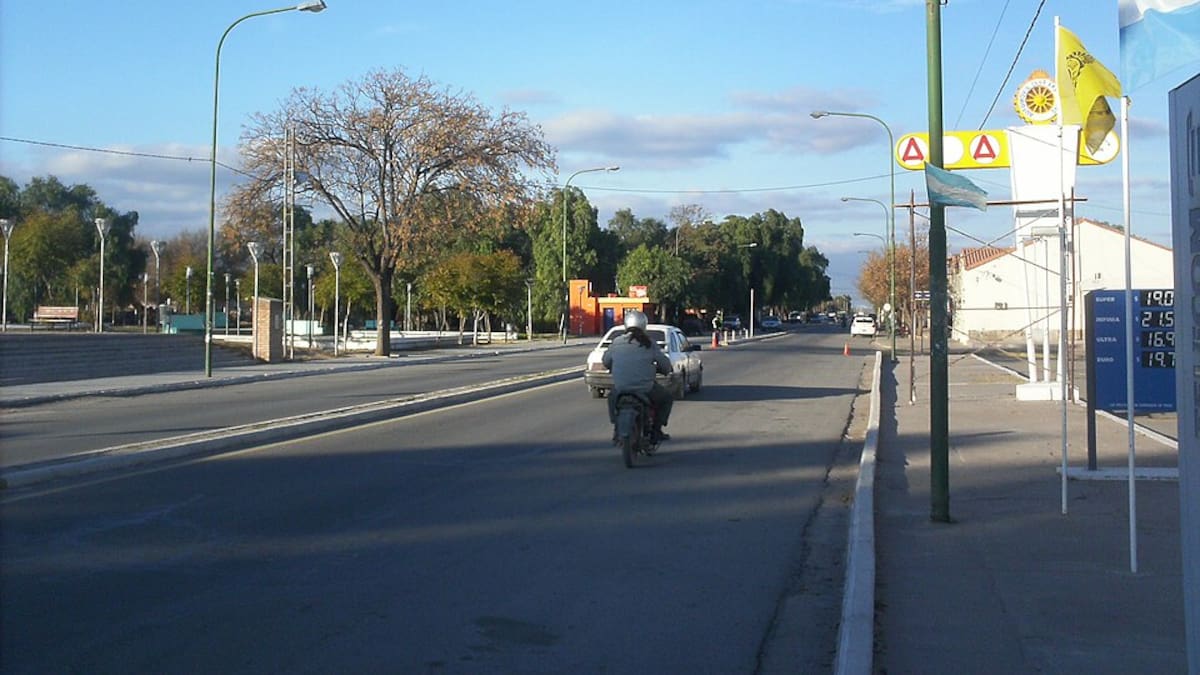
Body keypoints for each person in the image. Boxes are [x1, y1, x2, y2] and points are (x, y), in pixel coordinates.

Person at [603, 310, 674, 442]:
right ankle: (656, 430)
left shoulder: (617, 342)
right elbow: (664, 363)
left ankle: (616, 427)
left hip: (621, 387)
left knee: (611, 398)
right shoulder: (649, 343)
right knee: (666, 398)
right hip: (645, 388)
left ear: (626, 325)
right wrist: (666, 369)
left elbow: (606, 361)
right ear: (643, 325)